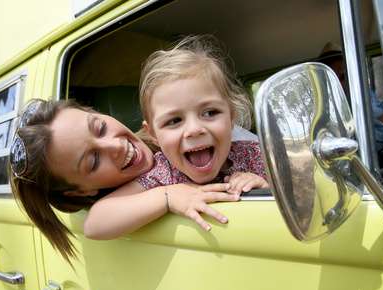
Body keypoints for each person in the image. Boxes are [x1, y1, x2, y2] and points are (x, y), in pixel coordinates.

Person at [9, 98, 240, 264]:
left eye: (100, 127)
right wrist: (169, 195)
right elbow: (94, 224)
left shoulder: (186, 134)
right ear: (80, 192)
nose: (116, 146)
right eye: (94, 161)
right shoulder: (135, 195)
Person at [84, 35, 269, 240]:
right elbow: (94, 224)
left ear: (232, 116)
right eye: (173, 121)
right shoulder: (164, 174)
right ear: (153, 134)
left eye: (210, 113)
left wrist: (264, 187)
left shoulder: (256, 155)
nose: (194, 130)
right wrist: (167, 197)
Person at [317, 42, 383, 168]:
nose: (339, 84)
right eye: (331, 79)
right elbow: (370, 140)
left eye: (344, 77)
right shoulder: (330, 121)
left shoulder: (376, 104)